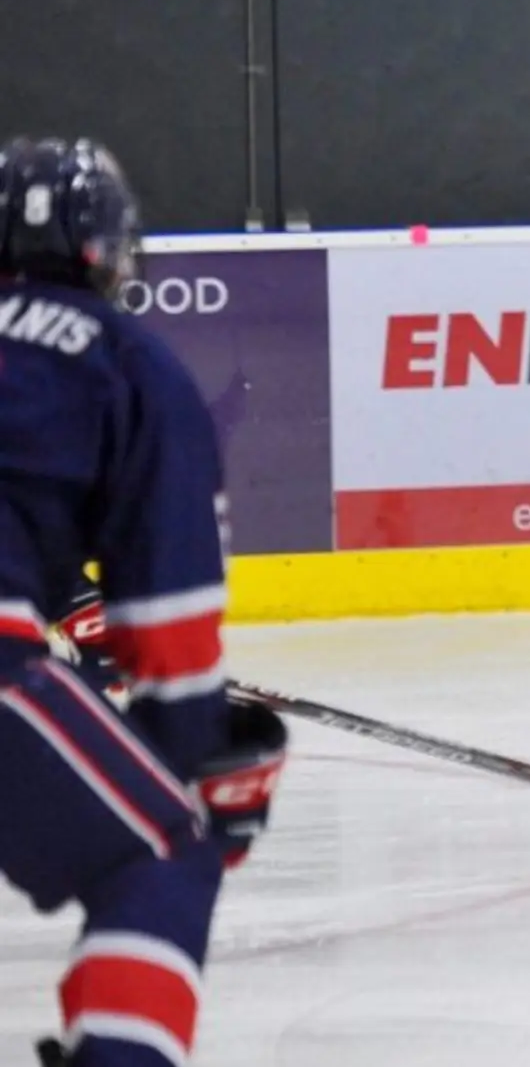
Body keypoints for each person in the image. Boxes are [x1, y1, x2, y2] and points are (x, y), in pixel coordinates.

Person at [0, 137, 287, 1067]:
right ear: (109, 249)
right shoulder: (128, 366)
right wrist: (194, 772)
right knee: (165, 856)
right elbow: (169, 630)